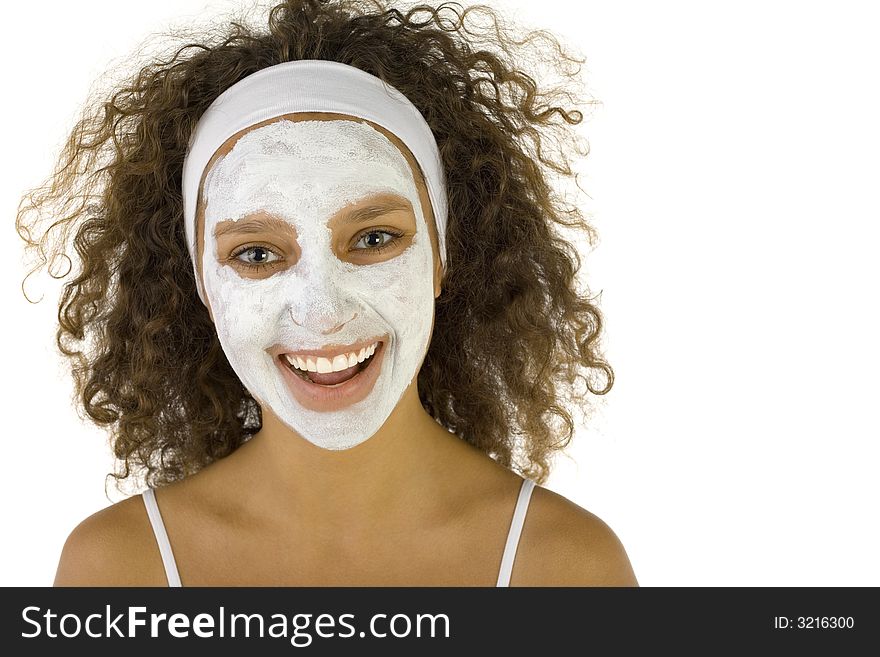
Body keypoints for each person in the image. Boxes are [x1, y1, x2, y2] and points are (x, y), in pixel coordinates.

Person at [19, 0, 637, 586]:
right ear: (202, 283)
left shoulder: (565, 568)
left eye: (372, 239)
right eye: (257, 254)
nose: (322, 310)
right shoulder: (121, 569)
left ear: (443, 257)